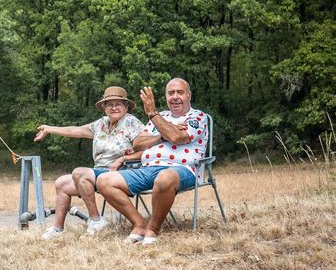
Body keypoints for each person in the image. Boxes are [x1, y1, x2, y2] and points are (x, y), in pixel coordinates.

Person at [96, 78, 208, 246]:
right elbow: (138, 143)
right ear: (166, 97)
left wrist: (153, 115)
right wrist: (162, 134)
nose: (175, 97)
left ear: (189, 96)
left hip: (183, 169)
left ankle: (153, 229)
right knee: (104, 180)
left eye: (180, 92)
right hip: (147, 168)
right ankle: (139, 225)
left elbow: (177, 137)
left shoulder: (197, 117)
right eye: (171, 93)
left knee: (164, 178)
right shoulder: (161, 117)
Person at [34, 86, 145, 240]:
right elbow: (75, 130)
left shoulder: (132, 122)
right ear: (104, 107)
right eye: (109, 104)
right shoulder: (101, 124)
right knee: (62, 183)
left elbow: (147, 151)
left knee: (80, 173)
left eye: (118, 104)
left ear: (126, 106)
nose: (114, 108)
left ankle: (96, 221)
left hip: (123, 172)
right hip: (99, 172)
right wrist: (49, 129)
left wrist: (123, 158)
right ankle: (58, 229)